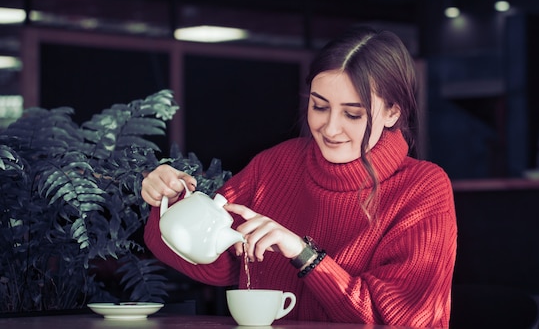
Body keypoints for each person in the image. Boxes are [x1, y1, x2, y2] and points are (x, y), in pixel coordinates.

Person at [141, 26, 457, 327]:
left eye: (352, 113)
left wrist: (303, 253)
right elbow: (214, 261)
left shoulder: (423, 188)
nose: (331, 128)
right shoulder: (276, 165)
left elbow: (402, 321)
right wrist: (170, 200)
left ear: (392, 113)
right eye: (319, 107)